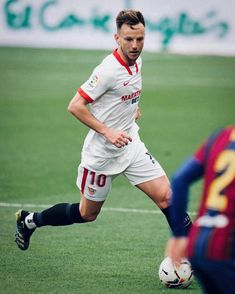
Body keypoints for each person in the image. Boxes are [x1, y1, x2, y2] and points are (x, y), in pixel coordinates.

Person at [15, 9, 191, 251]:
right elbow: (75, 106)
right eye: (129, 39)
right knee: (87, 213)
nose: (135, 45)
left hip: (131, 145)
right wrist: (108, 131)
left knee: (167, 197)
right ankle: (30, 220)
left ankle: (196, 254)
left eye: (140, 39)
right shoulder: (107, 71)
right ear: (117, 38)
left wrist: (132, 108)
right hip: (101, 156)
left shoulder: (137, 61)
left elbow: (128, 90)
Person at [166, 125, 235, 294]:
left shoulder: (221, 136)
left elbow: (180, 180)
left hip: (197, 247)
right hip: (226, 249)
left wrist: (179, 235)